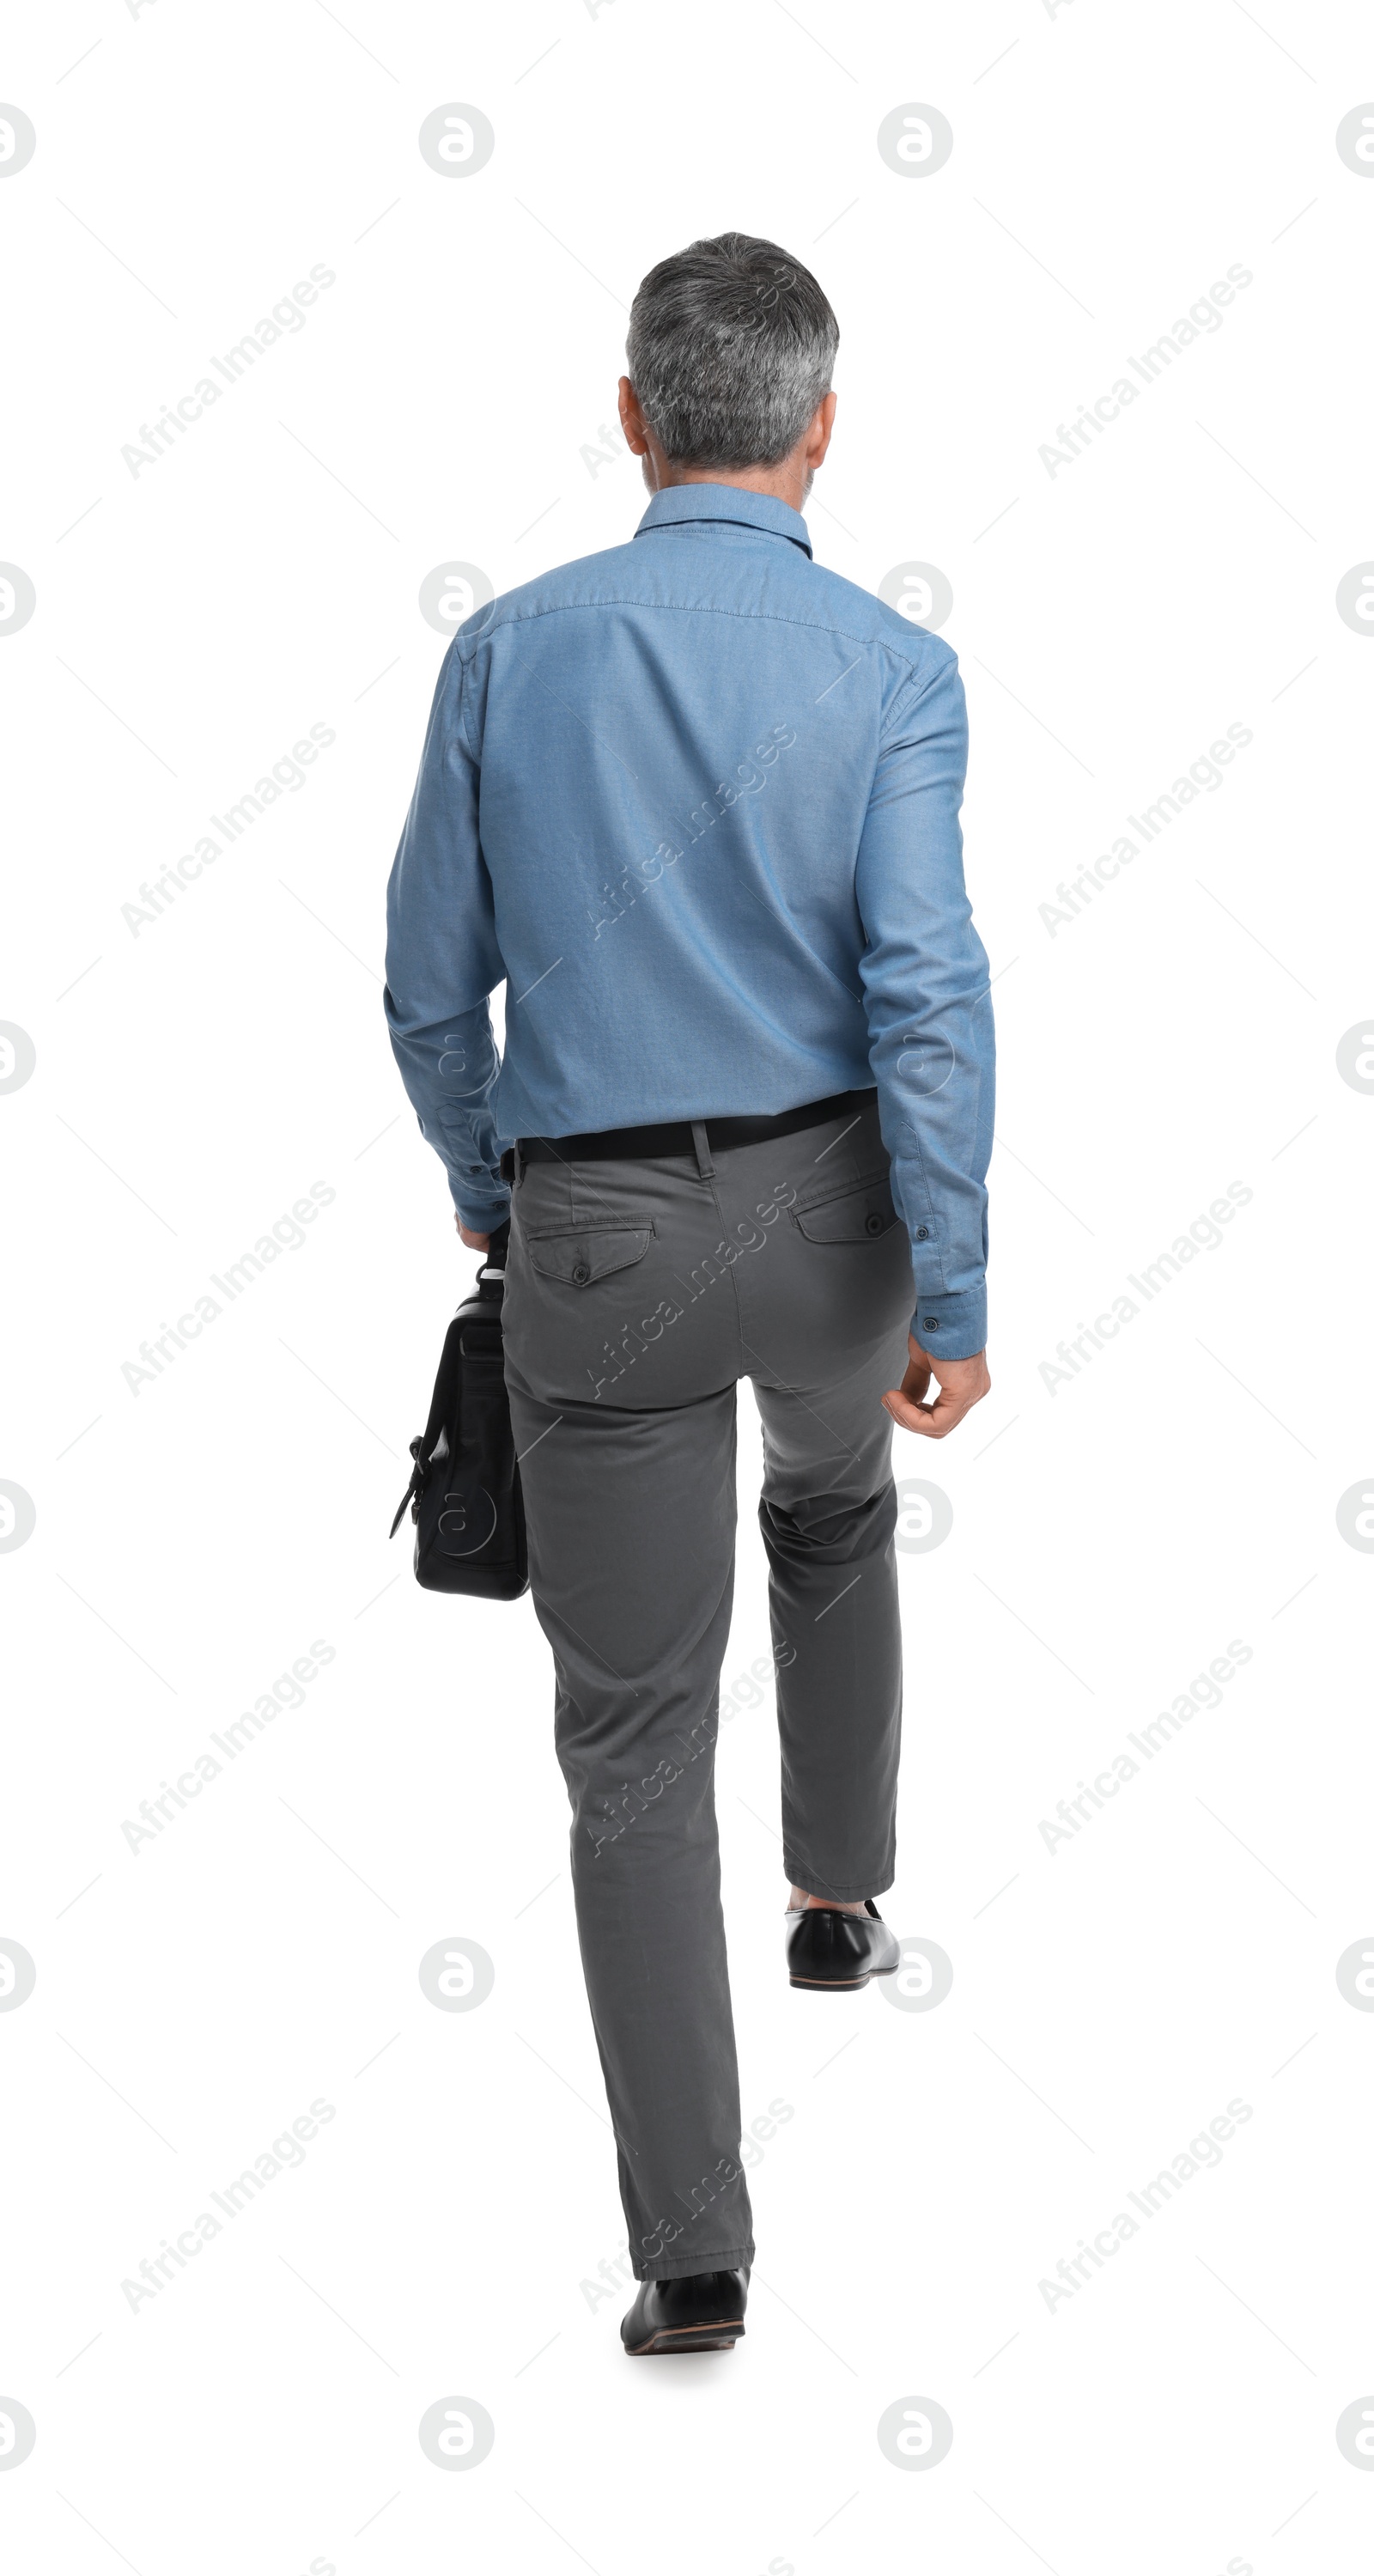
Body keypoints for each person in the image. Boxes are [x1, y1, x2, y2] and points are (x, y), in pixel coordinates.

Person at [384, 232, 994, 2358]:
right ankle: (840, 1900)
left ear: (633, 415)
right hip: (840, 1228)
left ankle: (693, 2255)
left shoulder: (507, 650)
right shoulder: (891, 669)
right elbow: (922, 985)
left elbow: (417, 978)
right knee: (828, 1514)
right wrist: (959, 1279)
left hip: (600, 1249)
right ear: (821, 430)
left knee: (631, 1748)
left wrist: (497, 1188)